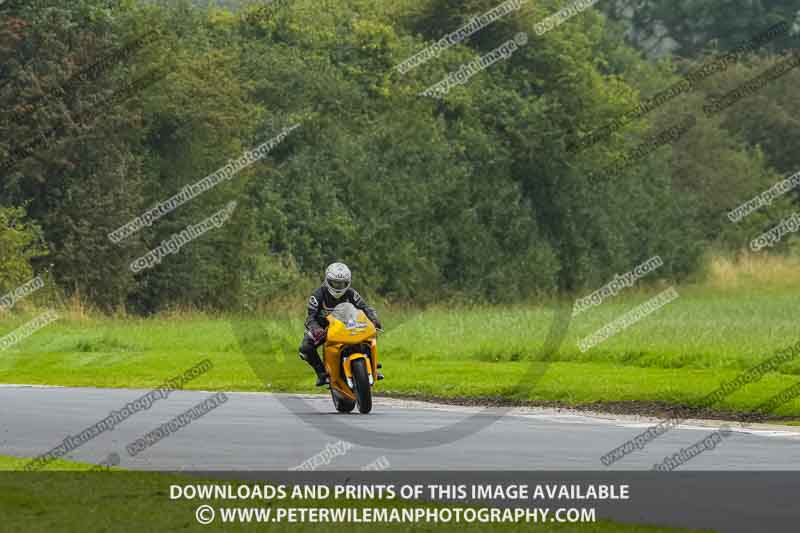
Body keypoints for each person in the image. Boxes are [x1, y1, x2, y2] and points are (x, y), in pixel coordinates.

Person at [299, 262, 383, 386]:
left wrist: (373, 319)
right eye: (335, 283)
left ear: (348, 282)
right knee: (305, 348)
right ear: (328, 280)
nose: (339, 286)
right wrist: (316, 329)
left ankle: (372, 366)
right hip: (323, 328)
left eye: (342, 283)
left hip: (347, 324)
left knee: (371, 332)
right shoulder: (317, 295)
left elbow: (365, 308)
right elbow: (310, 317)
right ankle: (322, 374)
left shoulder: (351, 293)